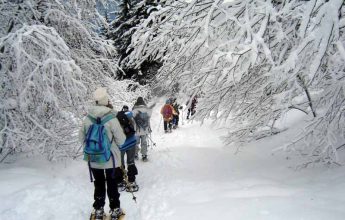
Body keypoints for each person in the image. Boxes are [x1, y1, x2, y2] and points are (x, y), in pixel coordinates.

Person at [79, 87, 126, 220]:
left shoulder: (88, 119)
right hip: (110, 159)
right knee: (112, 183)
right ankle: (115, 209)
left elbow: (81, 138)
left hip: (94, 159)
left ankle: (99, 210)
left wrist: (94, 148)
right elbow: (121, 140)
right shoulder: (111, 118)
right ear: (106, 101)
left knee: (98, 183)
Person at [119, 105, 139, 192]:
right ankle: (131, 180)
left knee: (120, 163)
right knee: (131, 161)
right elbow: (135, 128)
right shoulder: (131, 116)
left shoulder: (116, 120)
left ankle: (121, 180)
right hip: (131, 142)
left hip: (121, 145)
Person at [132, 97, 152, 161]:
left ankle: (135, 155)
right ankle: (144, 155)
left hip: (137, 129)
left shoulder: (134, 109)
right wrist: (149, 128)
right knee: (144, 142)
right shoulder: (146, 109)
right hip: (145, 129)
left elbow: (132, 120)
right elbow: (148, 119)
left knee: (136, 143)